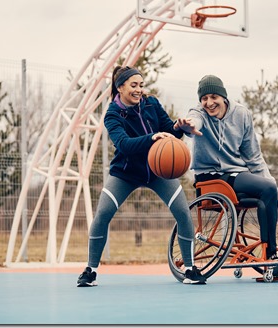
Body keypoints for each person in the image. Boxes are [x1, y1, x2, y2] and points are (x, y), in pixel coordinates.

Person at [77, 66, 206, 287]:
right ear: (120, 87)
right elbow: (124, 145)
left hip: (158, 171)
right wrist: (152, 137)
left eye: (141, 85)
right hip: (125, 173)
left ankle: (190, 268)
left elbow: (169, 131)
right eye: (133, 85)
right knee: (103, 214)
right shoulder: (113, 114)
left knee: (183, 213)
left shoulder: (151, 104)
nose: (139, 90)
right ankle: (90, 270)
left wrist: (179, 126)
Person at [174, 74, 278, 261]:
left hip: (235, 174)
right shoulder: (199, 113)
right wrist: (188, 126)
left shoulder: (241, 114)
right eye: (204, 98)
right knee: (267, 188)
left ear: (223, 97)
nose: (209, 103)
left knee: (268, 192)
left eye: (213, 97)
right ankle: (272, 255)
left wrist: (276, 190)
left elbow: (254, 157)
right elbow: (194, 119)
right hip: (209, 177)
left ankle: (268, 249)